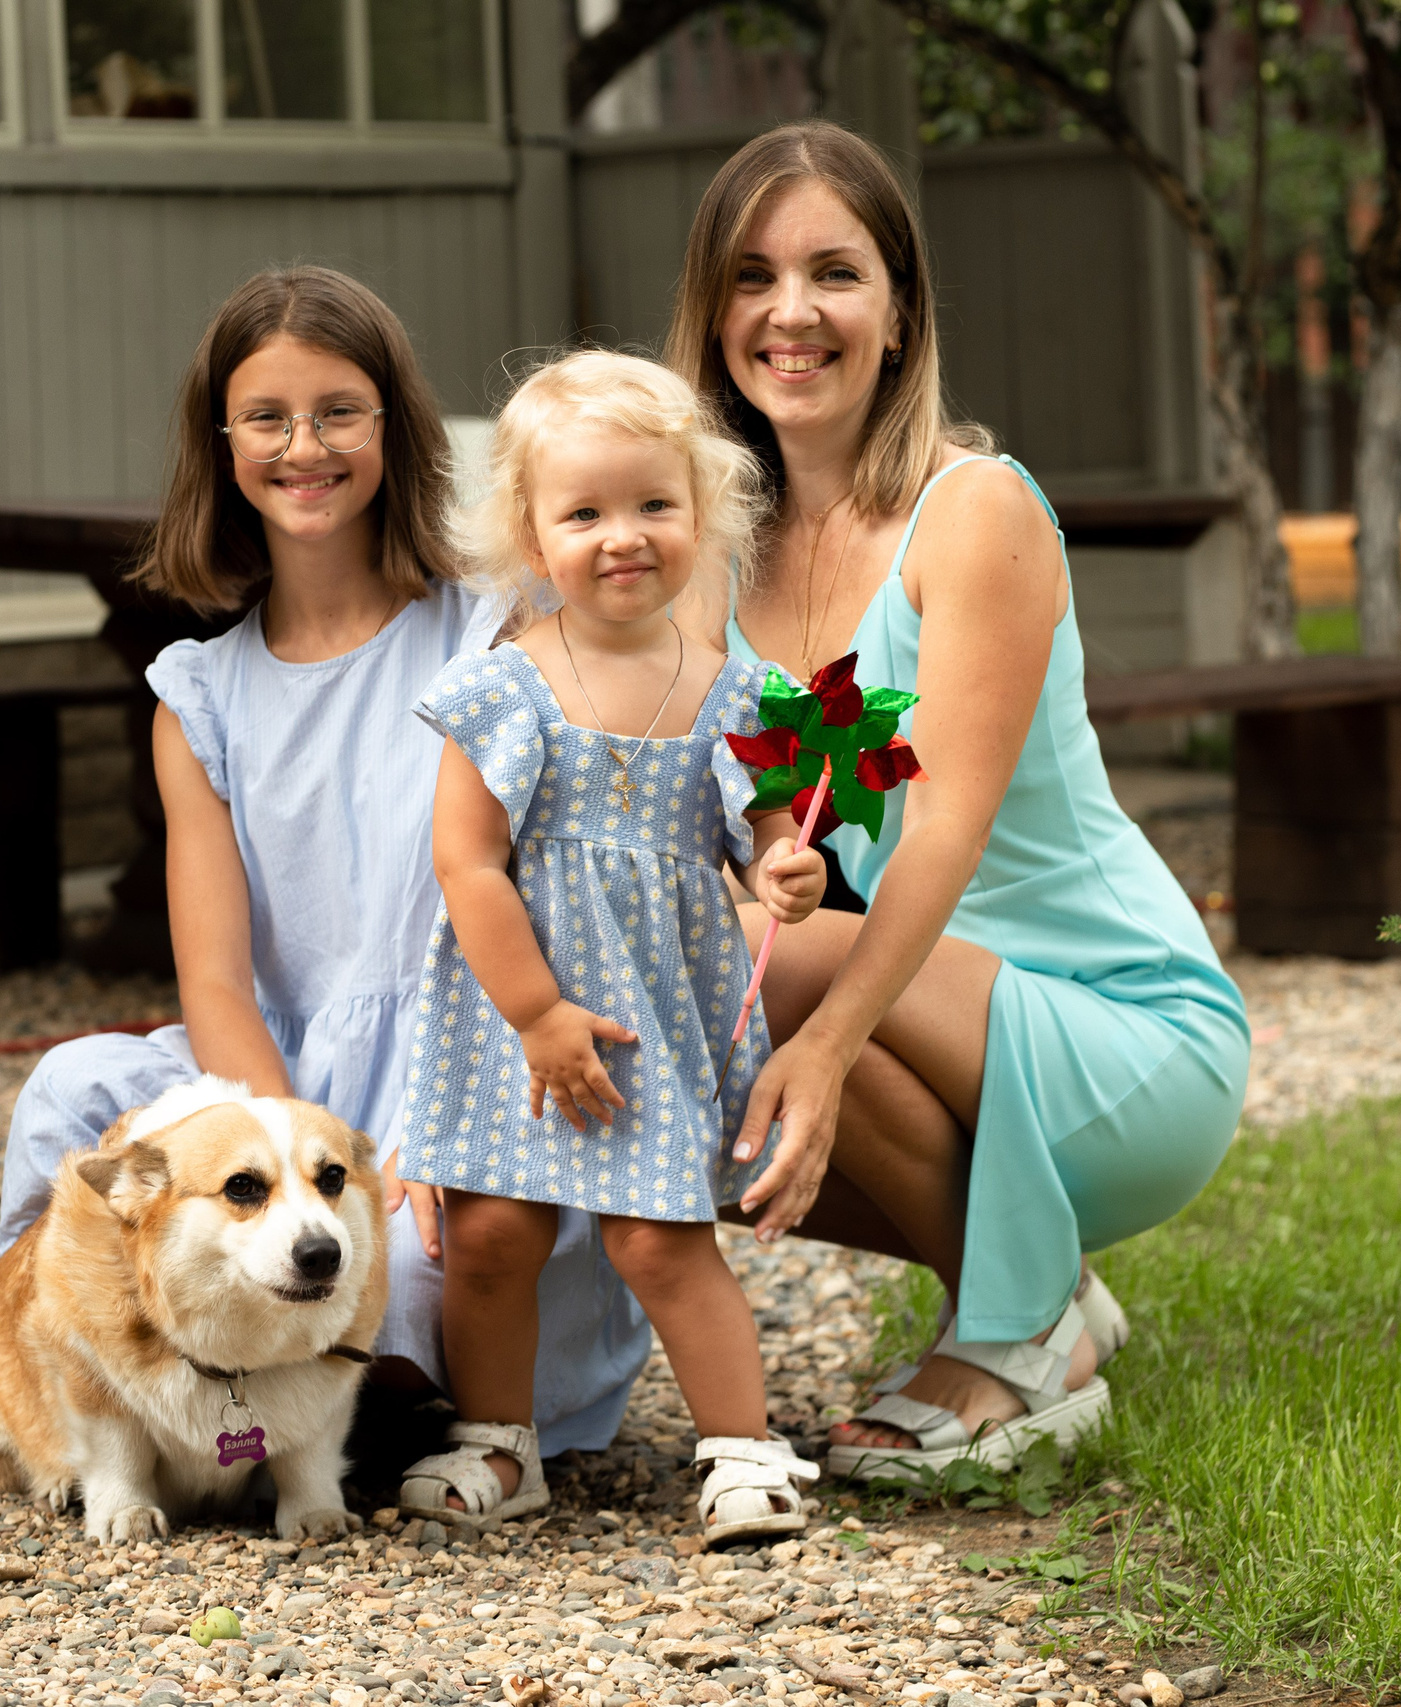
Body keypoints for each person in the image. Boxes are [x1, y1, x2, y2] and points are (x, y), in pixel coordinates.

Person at [667, 123, 1251, 1478]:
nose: (791, 312)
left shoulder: (974, 511)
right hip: (931, 1021)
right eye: (752, 276)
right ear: (711, 314)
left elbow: (944, 826)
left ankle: (1020, 1327)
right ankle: (1042, 1296)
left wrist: (817, 1045)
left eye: (834, 273)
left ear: (899, 312)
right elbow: (727, 810)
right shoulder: (712, 556)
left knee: (744, 973)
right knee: (681, 1050)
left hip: (1122, 1030)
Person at [0, 267, 650, 1458]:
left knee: (406, 1264)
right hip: (272, 1091)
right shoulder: (199, 698)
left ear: (393, 426)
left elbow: (553, 907)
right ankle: (121, 1393)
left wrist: (408, 1152)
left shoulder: (494, 630)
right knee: (71, 1096)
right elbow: (216, 984)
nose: (304, 447)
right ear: (222, 442)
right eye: (267, 418)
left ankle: (336, 1417)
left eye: (339, 412)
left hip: (473, 1062)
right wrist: (300, 1163)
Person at [389, 352, 830, 1544]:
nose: (621, 536)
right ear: (531, 540)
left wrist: (785, 868)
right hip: (516, 1019)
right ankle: (498, 1444)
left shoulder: (740, 695)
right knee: (491, 1235)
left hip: (651, 1015)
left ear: (703, 515)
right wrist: (537, 1014)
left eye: (652, 505)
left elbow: (769, 834)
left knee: (658, 1238)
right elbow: (467, 864)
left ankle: (741, 1448)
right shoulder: (503, 690)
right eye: (582, 513)